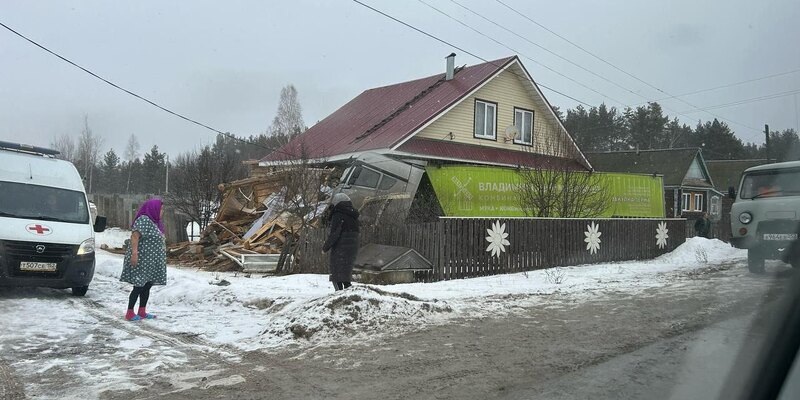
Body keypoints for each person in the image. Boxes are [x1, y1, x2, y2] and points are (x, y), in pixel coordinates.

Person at [120, 199, 167, 321]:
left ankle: (142, 311)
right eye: (161, 209)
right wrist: (134, 254)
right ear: (153, 208)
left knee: (147, 285)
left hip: (152, 261)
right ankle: (130, 312)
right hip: (143, 259)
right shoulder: (144, 220)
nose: (162, 212)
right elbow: (135, 236)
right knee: (139, 285)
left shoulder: (156, 223)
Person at [322, 193, 360, 291]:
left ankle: (338, 295)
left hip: (340, 248)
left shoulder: (338, 214)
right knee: (345, 273)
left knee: (336, 274)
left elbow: (335, 233)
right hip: (352, 249)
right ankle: (348, 294)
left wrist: (325, 247)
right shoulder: (353, 215)